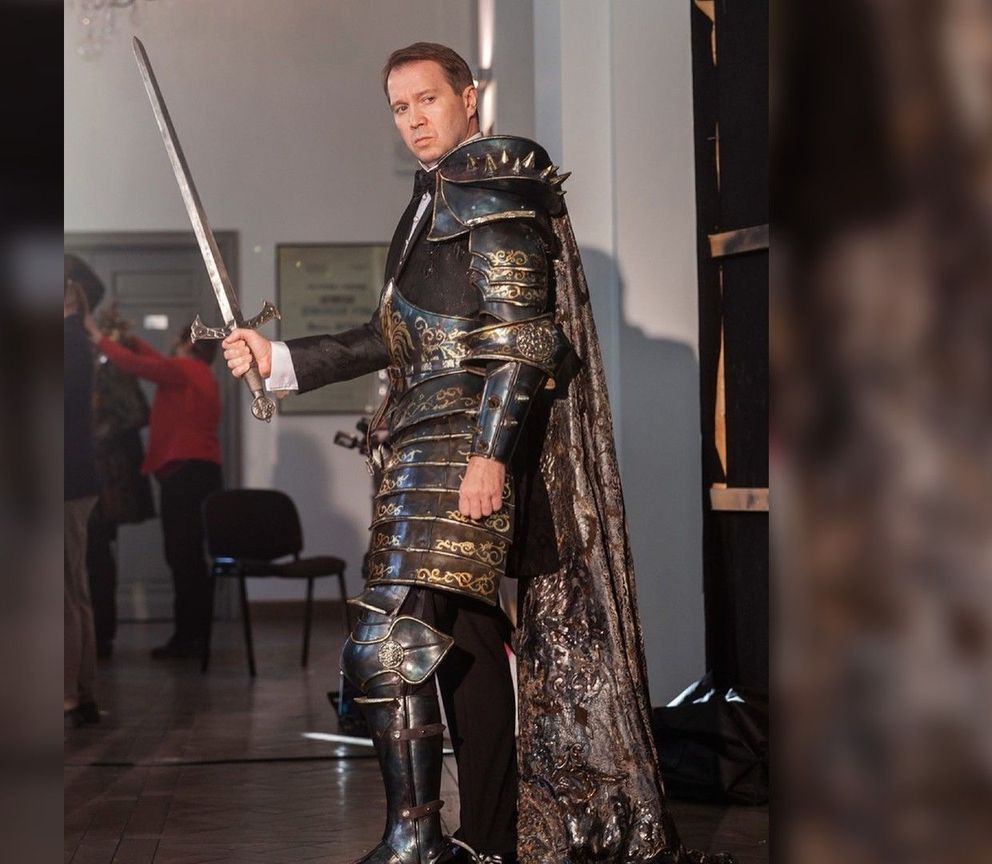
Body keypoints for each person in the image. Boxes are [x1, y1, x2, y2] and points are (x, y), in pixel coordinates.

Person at [224, 43, 731, 864]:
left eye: (427, 99)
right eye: (400, 107)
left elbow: (525, 340)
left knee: (391, 639)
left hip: (465, 447)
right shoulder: (429, 201)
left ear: (468, 96)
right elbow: (392, 337)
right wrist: (277, 357)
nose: (413, 119)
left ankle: (416, 840)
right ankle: (487, 840)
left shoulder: (493, 183)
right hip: (421, 445)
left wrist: (490, 457)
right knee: (462, 642)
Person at [83, 317, 222, 659]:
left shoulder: (184, 370)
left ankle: (187, 638)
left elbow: (138, 366)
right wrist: (130, 340)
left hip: (184, 475)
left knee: (182, 557)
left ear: (187, 343)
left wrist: (98, 337)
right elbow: (153, 362)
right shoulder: (200, 373)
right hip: (201, 472)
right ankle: (196, 635)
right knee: (190, 557)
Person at [87, 306, 156, 659]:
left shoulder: (110, 364)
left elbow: (135, 413)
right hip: (100, 473)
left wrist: (92, 435)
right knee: (94, 553)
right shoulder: (99, 362)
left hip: (105, 476)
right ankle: (97, 634)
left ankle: (100, 635)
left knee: (96, 553)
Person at [64, 279, 101, 727]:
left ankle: (70, 694)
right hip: (73, 478)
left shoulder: (69, 342)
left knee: (63, 594)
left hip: (66, 481)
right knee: (72, 590)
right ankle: (80, 690)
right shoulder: (73, 340)